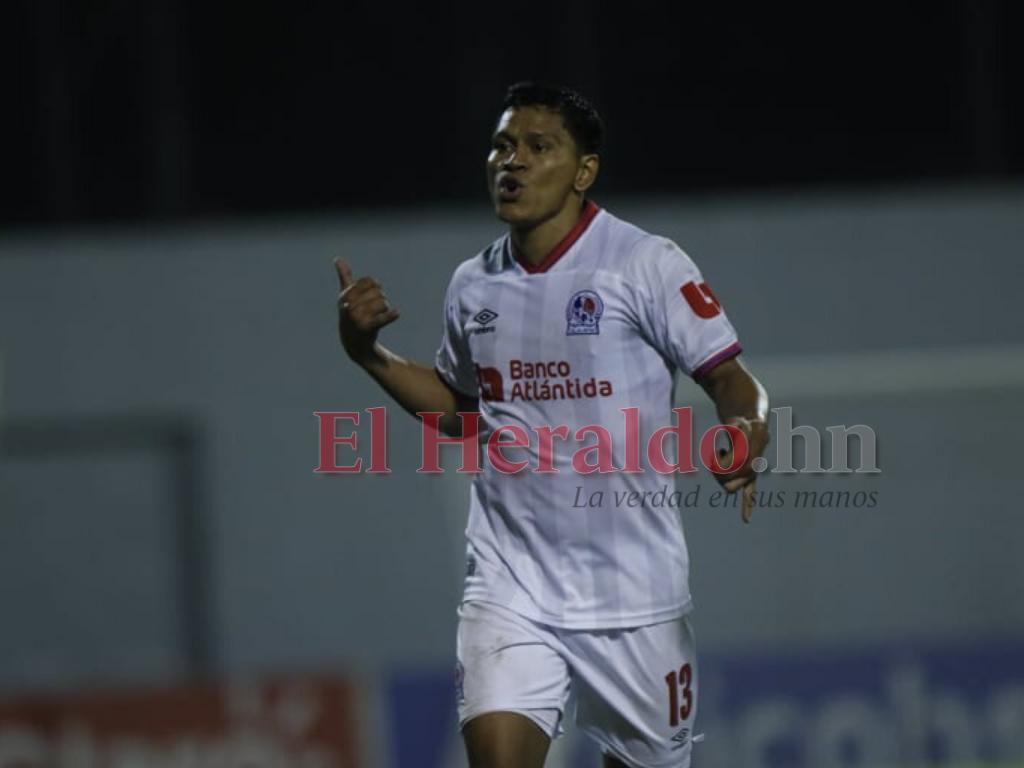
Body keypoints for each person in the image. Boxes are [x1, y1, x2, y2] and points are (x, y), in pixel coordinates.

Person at [335, 82, 769, 768]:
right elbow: (461, 413)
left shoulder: (644, 263)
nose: (513, 161)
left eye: (539, 147)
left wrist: (746, 430)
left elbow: (730, 379)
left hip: (635, 598)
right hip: (511, 588)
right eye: (503, 145)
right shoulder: (473, 284)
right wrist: (367, 354)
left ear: (583, 170)